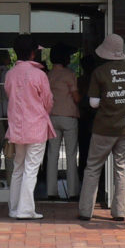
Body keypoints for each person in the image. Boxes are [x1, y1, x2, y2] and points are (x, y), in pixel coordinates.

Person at [78, 33, 125, 222]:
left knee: (93, 168)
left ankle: (85, 210)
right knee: (122, 168)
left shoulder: (99, 72)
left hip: (103, 128)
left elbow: (94, 104)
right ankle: (120, 211)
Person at [3, 34, 55, 219]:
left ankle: (14, 208)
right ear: (33, 53)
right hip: (36, 125)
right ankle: (25, 210)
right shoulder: (39, 74)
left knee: (18, 167)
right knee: (31, 168)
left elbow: (9, 96)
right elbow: (48, 101)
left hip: (16, 126)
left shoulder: (10, 74)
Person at [44, 42, 81, 200]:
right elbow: (76, 97)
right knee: (71, 155)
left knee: (52, 154)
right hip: (69, 117)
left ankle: (51, 192)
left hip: (52, 116)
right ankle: (73, 192)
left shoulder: (48, 75)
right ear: (65, 57)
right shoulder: (69, 74)